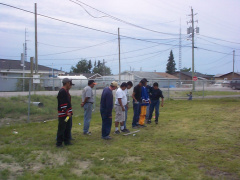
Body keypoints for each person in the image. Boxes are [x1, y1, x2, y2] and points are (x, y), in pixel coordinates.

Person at [56, 78, 74, 147]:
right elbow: (62, 103)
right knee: (62, 127)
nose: (70, 85)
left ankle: (66, 141)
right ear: (66, 83)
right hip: (64, 115)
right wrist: (67, 112)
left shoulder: (66, 91)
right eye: (69, 83)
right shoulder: (62, 91)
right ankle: (59, 143)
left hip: (67, 115)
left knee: (67, 127)